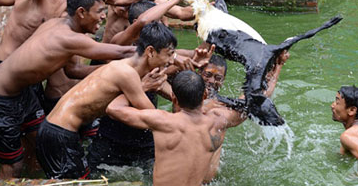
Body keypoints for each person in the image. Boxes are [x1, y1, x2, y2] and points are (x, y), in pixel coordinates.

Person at [0, 0, 136, 178]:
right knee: (13, 164)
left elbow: (73, 70)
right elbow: (124, 52)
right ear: (81, 12)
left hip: (23, 93)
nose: (103, 17)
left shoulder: (60, 23)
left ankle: (33, 181)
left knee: (39, 146)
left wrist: (112, 71)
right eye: (100, 11)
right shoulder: (69, 38)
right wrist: (170, 55)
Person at [37, 22, 177, 179]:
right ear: (150, 51)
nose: (171, 61)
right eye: (169, 54)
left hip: (57, 131)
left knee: (83, 181)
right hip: (59, 134)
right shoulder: (126, 74)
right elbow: (151, 116)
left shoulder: (125, 68)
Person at [108, 70, 229, 186]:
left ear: (174, 98)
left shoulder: (161, 121)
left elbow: (113, 108)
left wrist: (142, 87)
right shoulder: (217, 121)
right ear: (205, 95)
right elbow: (242, 111)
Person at [199, 52, 287, 183]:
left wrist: (278, 65)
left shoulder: (220, 106)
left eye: (218, 77)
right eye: (207, 75)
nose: (212, 81)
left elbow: (257, 98)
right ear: (198, 72)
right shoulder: (185, 103)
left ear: (223, 81)